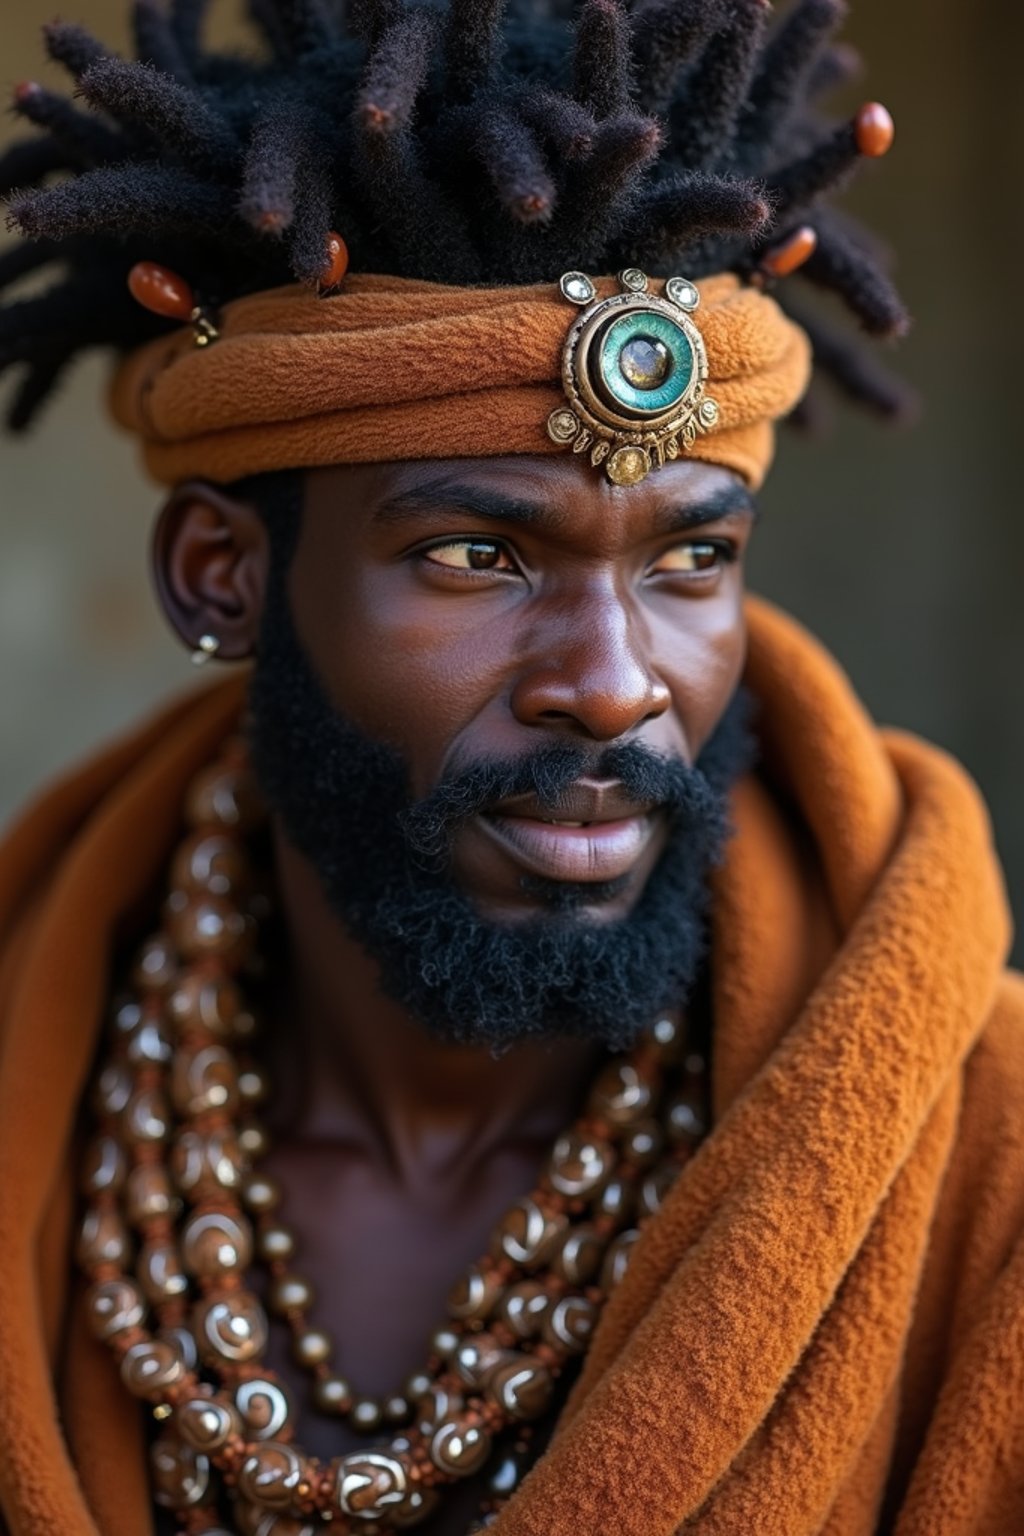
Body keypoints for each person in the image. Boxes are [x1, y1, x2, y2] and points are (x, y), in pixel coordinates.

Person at [0, 1, 1021, 1534]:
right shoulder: (35, 1063)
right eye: (478, 555)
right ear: (223, 576)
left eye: (690, 560)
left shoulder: (990, 1170)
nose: (614, 688)